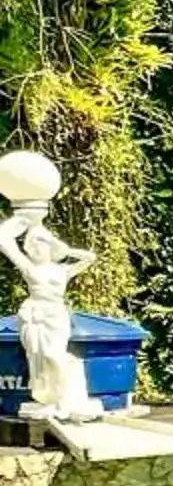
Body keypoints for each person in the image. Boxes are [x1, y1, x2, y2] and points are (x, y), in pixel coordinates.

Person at [0, 149, 103, 422]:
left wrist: (67, 248)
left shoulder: (62, 270)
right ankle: (48, 399)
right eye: (31, 244)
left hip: (55, 315)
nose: (34, 248)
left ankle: (65, 397)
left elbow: (90, 258)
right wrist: (21, 220)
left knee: (55, 355)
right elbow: (3, 240)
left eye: (40, 243)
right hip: (34, 313)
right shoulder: (29, 268)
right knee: (38, 358)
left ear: (49, 247)